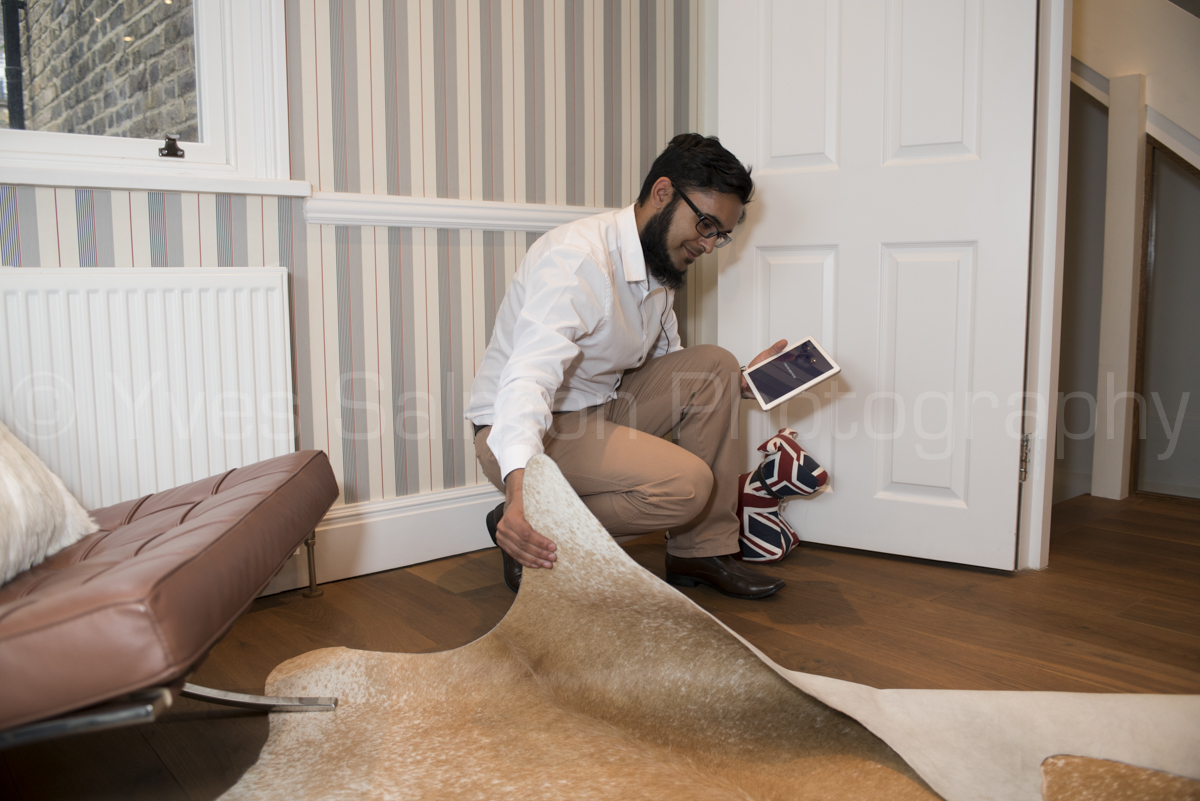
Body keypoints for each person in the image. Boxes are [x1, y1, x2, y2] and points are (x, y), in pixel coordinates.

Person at [465, 133, 788, 599]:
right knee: (686, 485)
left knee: (716, 365)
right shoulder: (577, 260)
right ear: (662, 193)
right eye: (705, 225)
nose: (709, 244)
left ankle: (700, 551)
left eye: (719, 234)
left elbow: (670, 364)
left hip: (600, 408)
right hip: (523, 427)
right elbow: (527, 380)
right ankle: (531, 522)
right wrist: (519, 491)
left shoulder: (659, 262)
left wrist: (739, 383)